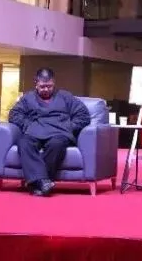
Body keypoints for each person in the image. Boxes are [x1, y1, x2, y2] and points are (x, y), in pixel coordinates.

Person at [8, 68, 91, 196]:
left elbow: (83, 115)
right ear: (36, 84)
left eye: (49, 86)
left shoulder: (66, 97)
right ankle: (44, 182)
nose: (46, 89)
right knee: (24, 143)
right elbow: (14, 114)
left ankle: (36, 183)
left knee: (56, 145)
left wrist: (68, 127)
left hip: (59, 133)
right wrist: (28, 126)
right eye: (42, 86)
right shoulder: (28, 98)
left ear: (54, 83)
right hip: (35, 131)